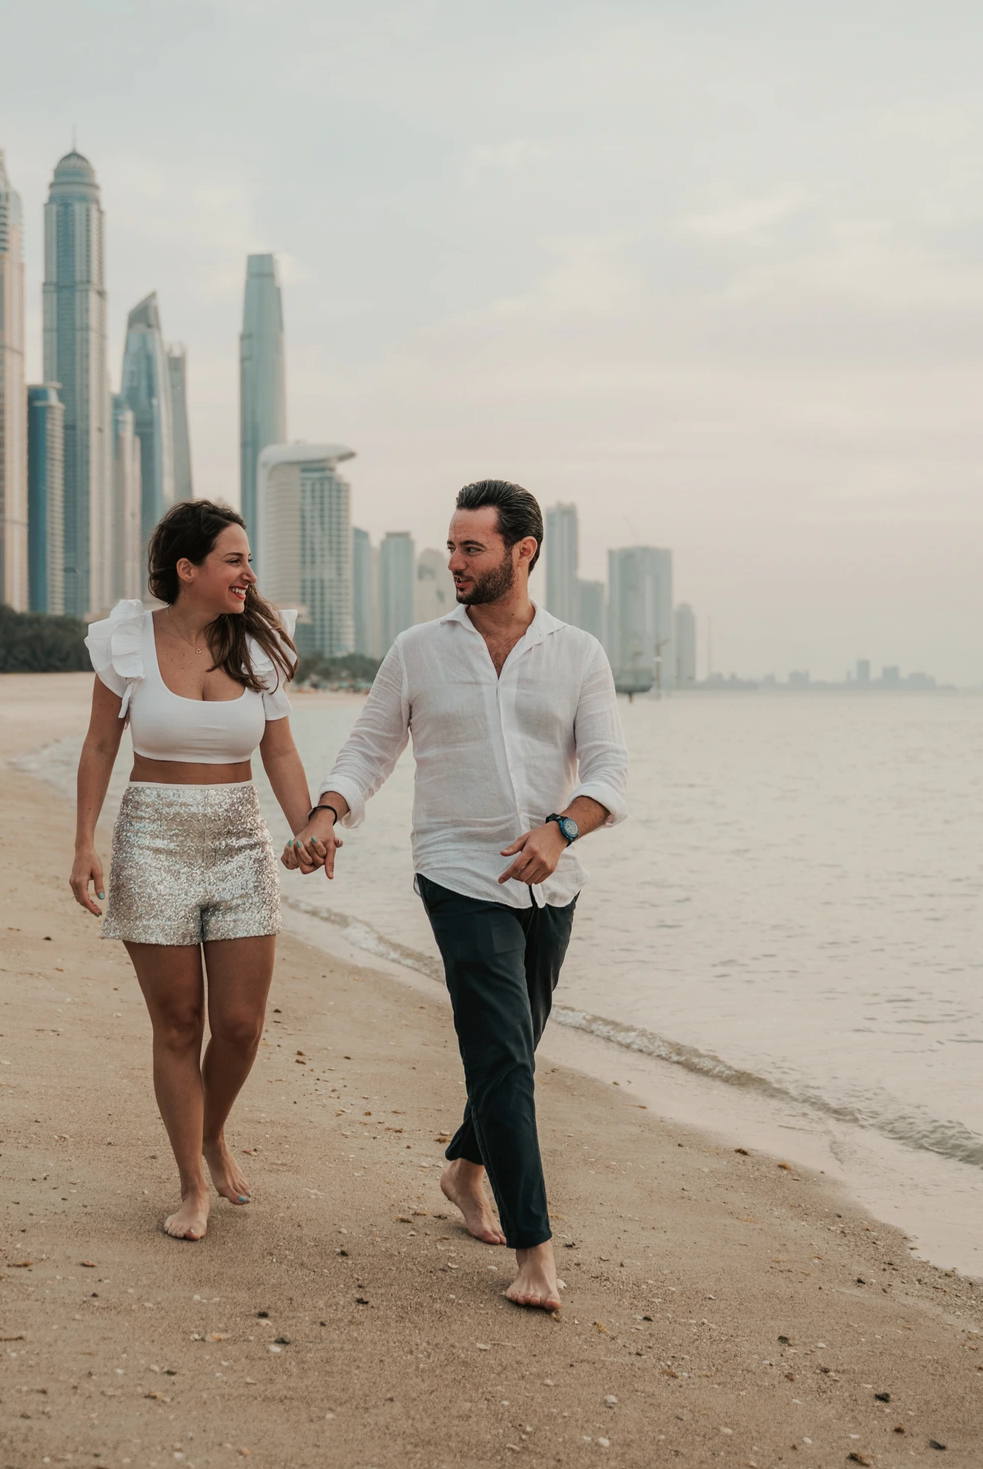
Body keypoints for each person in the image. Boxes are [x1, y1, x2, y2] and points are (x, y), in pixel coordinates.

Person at [283, 479, 627, 1311]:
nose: (454, 562)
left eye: (471, 547)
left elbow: (609, 775)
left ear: (523, 552)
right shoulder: (417, 650)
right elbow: (367, 750)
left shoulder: (577, 653)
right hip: (455, 873)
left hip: (551, 881)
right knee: (499, 1054)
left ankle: (464, 1170)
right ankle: (534, 1253)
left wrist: (560, 830)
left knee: (515, 1046)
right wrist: (325, 816)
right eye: (450, 547)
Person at [70, 499, 327, 1242]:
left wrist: (308, 827)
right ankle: (191, 1182)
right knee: (179, 1024)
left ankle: (214, 1131)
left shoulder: (259, 648)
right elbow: (99, 746)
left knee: (240, 1026)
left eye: (248, 559)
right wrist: (84, 843)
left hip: (241, 844)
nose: (249, 574)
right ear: (188, 569)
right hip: (152, 841)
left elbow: (279, 750)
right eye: (233, 560)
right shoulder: (127, 642)